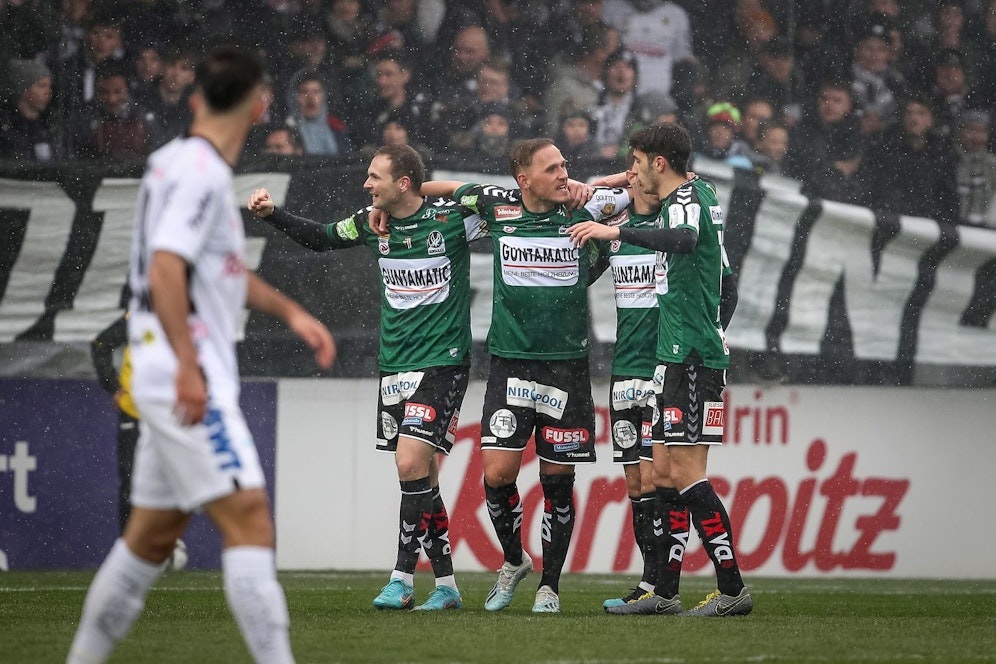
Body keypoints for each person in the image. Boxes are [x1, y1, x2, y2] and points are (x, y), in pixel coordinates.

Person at [67, 46, 336, 664]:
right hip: (182, 371)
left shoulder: (172, 162)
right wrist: (189, 366)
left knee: (149, 540)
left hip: (167, 367)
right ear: (262, 106)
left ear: (194, 101)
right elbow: (166, 268)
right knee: (250, 521)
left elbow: (221, 271)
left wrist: (292, 312)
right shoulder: (202, 173)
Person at [246, 143, 488, 611]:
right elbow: (319, 238)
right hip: (394, 365)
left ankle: (400, 579)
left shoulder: (451, 220)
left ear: (403, 184)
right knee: (423, 477)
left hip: (442, 361)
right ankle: (447, 586)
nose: (365, 184)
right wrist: (273, 214)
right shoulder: (369, 222)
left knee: (408, 465)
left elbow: (503, 205)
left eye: (375, 177)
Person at [414, 138, 631, 613]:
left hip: (567, 365)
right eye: (551, 167)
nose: (563, 173)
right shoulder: (496, 202)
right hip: (510, 362)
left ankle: (549, 585)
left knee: (557, 481)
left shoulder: (584, 206)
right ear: (523, 178)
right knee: (497, 473)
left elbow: (644, 186)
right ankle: (514, 560)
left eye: (564, 166)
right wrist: (395, 203)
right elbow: (440, 188)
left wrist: (603, 186)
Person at [569, 122, 752, 618]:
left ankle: (732, 588)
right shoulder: (690, 192)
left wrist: (616, 228)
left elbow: (688, 238)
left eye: (636, 161)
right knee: (666, 473)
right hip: (675, 358)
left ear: (657, 163)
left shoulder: (688, 199)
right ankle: (665, 593)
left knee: (688, 475)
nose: (631, 172)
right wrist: (613, 189)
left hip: (692, 357)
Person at [91, 308, 189, 567]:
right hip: (134, 412)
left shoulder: (187, 315)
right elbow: (100, 344)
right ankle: (130, 548)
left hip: (169, 414)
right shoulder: (137, 316)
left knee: (170, 479)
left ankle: (163, 541)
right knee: (131, 482)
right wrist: (112, 385)